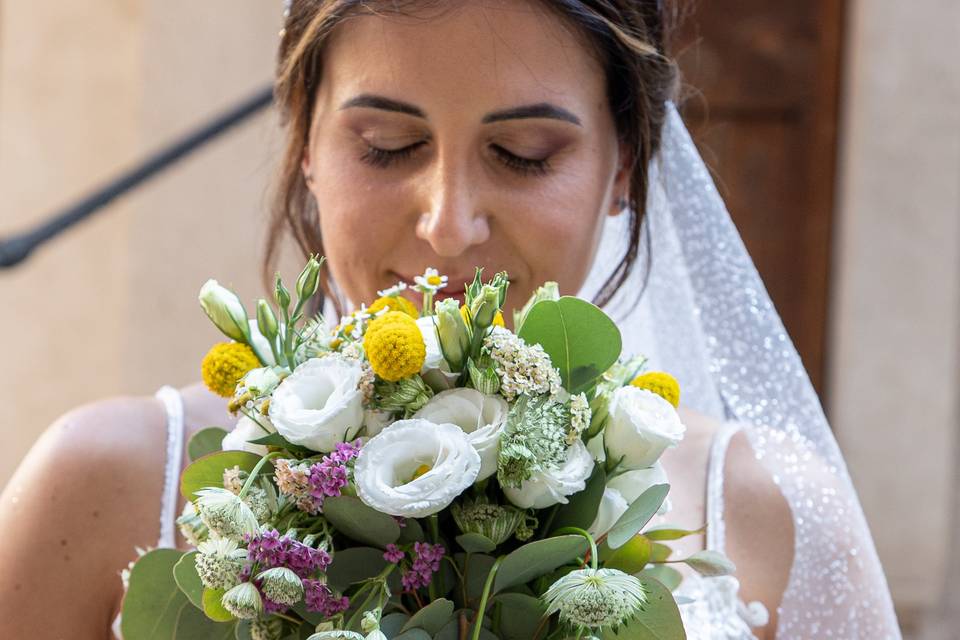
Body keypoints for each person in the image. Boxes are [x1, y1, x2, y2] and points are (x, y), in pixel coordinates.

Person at [0, 2, 901, 639]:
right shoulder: (103, 486)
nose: (447, 222)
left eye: (522, 155)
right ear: (307, 142)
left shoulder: (775, 515)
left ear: (624, 161)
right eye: (388, 147)